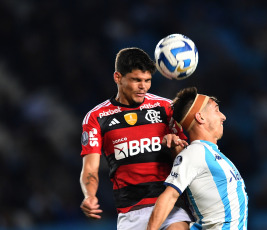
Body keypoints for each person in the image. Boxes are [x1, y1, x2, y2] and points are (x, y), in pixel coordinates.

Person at [79, 47, 192, 229]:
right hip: (130, 211)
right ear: (118, 78)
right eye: (136, 80)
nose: (143, 87)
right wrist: (89, 195)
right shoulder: (97, 117)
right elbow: (91, 167)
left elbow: (187, 156)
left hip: (170, 205)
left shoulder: (165, 107)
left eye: (147, 81)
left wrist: (176, 145)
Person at [147, 87, 249, 230]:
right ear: (200, 117)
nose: (223, 116)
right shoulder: (195, 152)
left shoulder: (210, 154)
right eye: (216, 110)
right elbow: (169, 196)